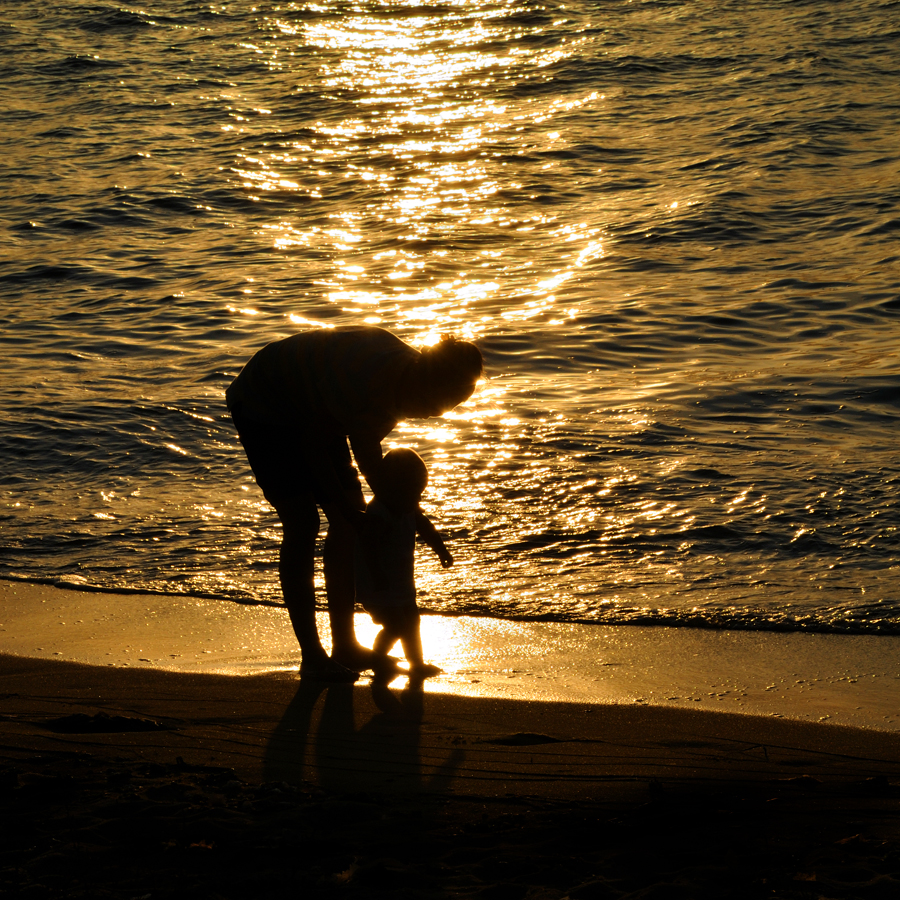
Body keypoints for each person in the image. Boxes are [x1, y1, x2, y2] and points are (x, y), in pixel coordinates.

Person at [226, 325, 482, 680]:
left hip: (319, 407)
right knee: (303, 523)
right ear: (422, 383)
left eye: (437, 412)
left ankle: (344, 644)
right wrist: (348, 509)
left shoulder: (404, 387)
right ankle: (312, 657)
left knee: (349, 523)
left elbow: (363, 441)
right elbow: (314, 444)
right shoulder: (370, 380)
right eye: (427, 406)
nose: (425, 415)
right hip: (266, 402)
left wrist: (398, 506)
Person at [355, 448, 451, 679]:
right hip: (379, 585)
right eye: (413, 494)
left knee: (413, 622)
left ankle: (416, 662)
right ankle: (377, 658)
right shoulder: (378, 514)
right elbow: (369, 548)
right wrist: (377, 575)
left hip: (401, 583)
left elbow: (426, 528)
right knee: (397, 625)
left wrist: (441, 550)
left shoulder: (408, 508)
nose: (417, 499)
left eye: (419, 494)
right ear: (391, 489)